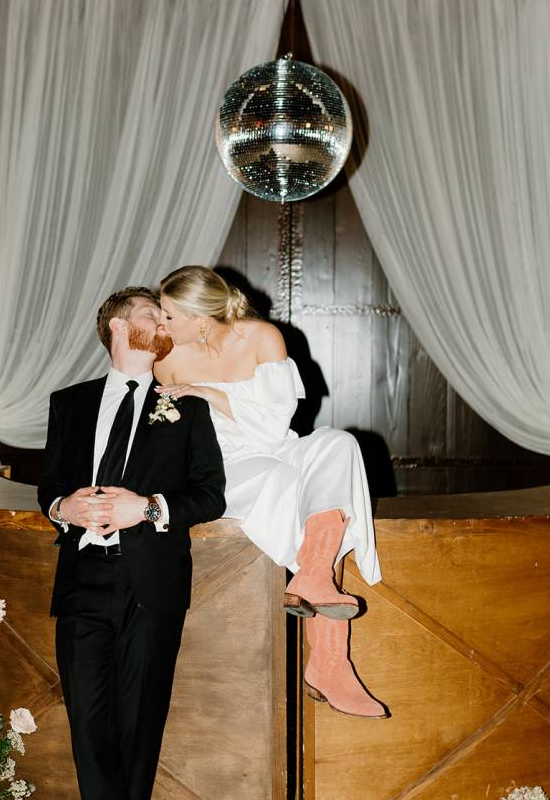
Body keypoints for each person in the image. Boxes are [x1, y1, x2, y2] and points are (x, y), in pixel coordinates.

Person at [38, 287, 225, 800]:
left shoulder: (187, 408)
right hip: (82, 582)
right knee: (90, 731)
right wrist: (63, 507)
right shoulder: (69, 403)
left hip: (150, 586)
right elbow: (49, 485)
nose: (162, 322)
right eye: (152, 312)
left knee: (137, 730)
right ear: (118, 325)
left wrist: (146, 507)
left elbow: (209, 494)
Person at [154, 265, 388, 720]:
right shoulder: (169, 358)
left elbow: (273, 425)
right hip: (223, 467)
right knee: (288, 485)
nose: (162, 325)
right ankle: (330, 662)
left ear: (200, 318)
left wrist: (206, 392)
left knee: (339, 443)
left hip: (275, 445)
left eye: (168, 315)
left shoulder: (263, 337)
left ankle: (314, 576)